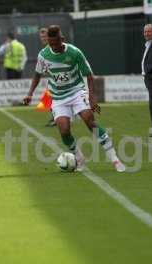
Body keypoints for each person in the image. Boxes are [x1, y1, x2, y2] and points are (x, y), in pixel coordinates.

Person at [23, 25, 125, 172]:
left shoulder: (75, 52)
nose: (53, 47)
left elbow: (89, 75)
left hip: (77, 91)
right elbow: (37, 75)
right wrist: (30, 93)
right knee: (64, 130)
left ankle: (114, 159)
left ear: (62, 39)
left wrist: (92, 97)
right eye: (50, 44)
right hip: (57, 97)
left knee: (89, 120)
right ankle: (79, 157)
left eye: (56, 43)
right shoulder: (43, 55)